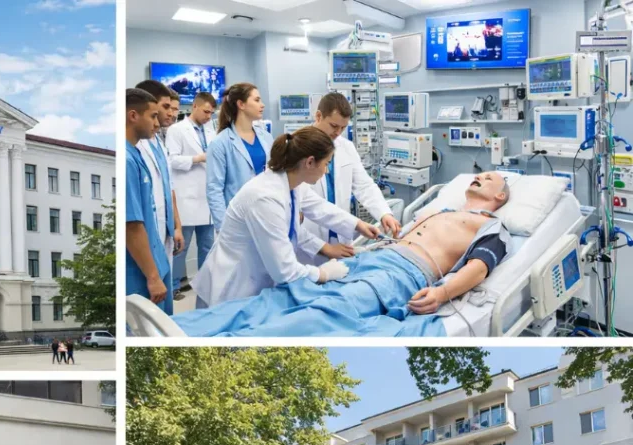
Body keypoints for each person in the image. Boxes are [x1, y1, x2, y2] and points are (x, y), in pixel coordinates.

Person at [175, 172, 513, 337]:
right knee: (282, 296)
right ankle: (185, 328)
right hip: (370, 259)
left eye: (489, 179)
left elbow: (479, 268)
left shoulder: (492, 226)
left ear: (500, 197)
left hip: (401, 274)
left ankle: (235, 340)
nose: (480, 177)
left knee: (329, 310)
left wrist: (441, 293)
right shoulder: (439, 209)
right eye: (479, 174)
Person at [193, 128, 378, 307]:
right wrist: (323, 274)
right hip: (231, 287)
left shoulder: (292, 184)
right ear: (310, 162)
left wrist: (358, 224)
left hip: (254, 282)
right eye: (326, 163)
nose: (327, 170)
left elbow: (319, 209)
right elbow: (285, 270)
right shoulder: (264, 198)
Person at [299, 93, 401, 266]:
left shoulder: (345, 147)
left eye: (343, 128)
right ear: (318, 116)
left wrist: (384, 212)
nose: (337, 133)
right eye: (333, 125)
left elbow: (364, 185)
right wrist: (357, 225)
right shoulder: (297, 147)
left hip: (340, 234)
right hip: (310, 236)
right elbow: (306, 203)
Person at [135, 80, 185, 312]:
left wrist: (176, 225)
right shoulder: (138, 147)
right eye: (166, 108)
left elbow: (168, 187)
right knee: (152, 305)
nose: (171, 114)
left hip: (164, 233)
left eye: (174, 109)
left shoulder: (158, 141)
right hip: (150, 234)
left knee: (165, 308)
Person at [125, 88, 175, 314]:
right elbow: (132, 225)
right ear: (133, 116)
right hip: (141, 271)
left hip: (156, 257)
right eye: (153, 116)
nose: (158, 123)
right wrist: (153, 276)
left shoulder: (135, 154)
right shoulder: (127, 160)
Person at [167, 91, 217, 300]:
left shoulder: (212, 130)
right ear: (194, 106)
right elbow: (172, 160)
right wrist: (197, 158)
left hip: (207, 198)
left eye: (211, 113)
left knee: (207, 246)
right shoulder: (176, 130)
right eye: (206, 111)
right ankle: (173, 286)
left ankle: (205, 285)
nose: (208, 116)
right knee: (181, 247)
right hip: (186, 197)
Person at [206, 82, 273, 229]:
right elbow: (214, 189)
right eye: (256, 100)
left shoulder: (266, 138)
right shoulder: (220, 143)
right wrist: (224, 228)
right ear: (241, 104)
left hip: (266, 215)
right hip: (236, 221)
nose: (262, 105)